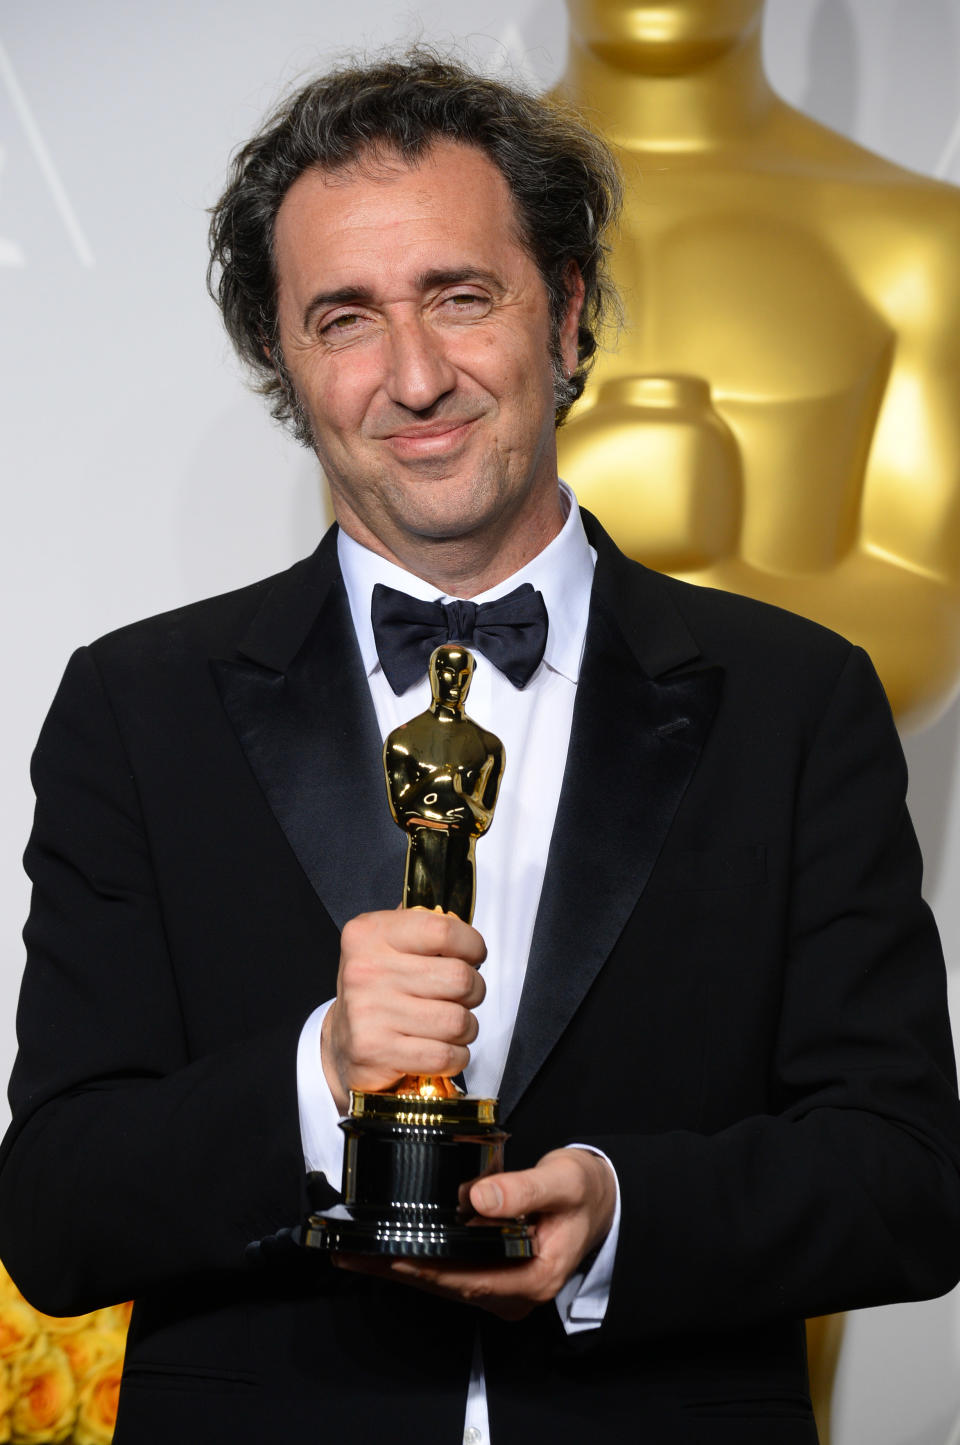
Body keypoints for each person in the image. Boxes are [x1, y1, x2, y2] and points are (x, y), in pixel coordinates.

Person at [2, 50, 959, 1445]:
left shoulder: (799, 701)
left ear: (568, 315)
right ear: (286, 362)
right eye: (345, 317)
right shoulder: (135, 708)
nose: (416, 374)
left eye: (462, 296)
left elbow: (908, 1182)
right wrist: (317, 1077)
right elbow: (57, 1209)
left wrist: (624, 1215)